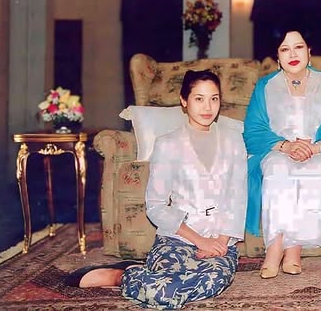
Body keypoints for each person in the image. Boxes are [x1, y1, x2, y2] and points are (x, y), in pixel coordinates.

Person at [66, 70, 248, 309]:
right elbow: (156, 205)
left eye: (214, 98)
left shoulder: (234, 140)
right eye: (199, 98)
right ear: (184, 101)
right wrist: (199, 241)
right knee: (164, 290)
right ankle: (120, 276)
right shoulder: (168, 144)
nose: (208, 107)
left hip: (219, 241)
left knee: (211, 281)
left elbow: (238, 197)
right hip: (178, 238)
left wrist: (220, 242)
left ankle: (135, 276)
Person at [244, 28, 321, 279]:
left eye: (298, 47)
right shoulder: (265, 86)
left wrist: (314, 147)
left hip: (320, 150)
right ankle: (275, 248)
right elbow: (254, 129)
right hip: (278, 150)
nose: (293, 54)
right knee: (278, 168)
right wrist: (286, 146)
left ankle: (293, 249)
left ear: (309, 51)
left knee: (319, 168)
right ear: (277, 57)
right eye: (285, 49)